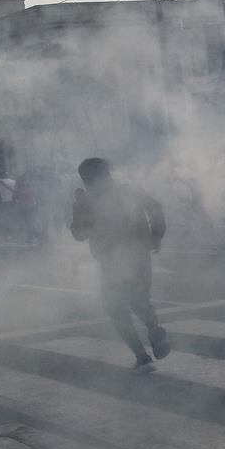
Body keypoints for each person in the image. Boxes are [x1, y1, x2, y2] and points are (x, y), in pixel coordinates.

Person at [68, 158, 169, 372]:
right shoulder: (130, 190)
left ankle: (142, 357)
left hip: (110, 260)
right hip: (140, 253)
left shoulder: (86, 200)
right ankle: (153, 328)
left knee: (115, 308)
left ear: (87, 179)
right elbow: (155, 208)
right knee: (140, 300)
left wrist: (78, 208)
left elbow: (79, 234)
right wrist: (156, 235)